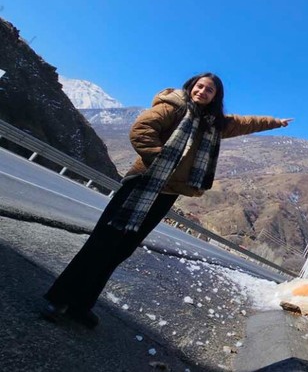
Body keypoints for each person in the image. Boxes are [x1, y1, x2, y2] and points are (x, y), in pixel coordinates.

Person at [42, 72, 292, 328]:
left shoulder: (212, 123)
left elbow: (245, 123)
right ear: (191, 86)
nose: (202, 92)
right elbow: (141, 129)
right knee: (103, 242)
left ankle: (81, 304)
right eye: (200, 86)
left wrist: (275, 122)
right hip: (142, 185)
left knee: (122, 249)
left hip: (167, 194)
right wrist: (162, 159)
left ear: (215, 97)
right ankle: (59, 298)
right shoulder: (174, 106)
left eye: (209, 90)